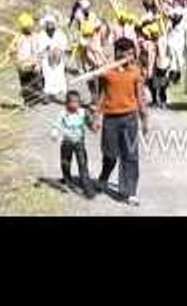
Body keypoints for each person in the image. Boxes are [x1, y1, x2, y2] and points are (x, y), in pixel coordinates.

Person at [96, 37, 148, 206]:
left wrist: (144, 118)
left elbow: (140, 98)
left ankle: (130, 192)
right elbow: (102, 95)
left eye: (133, 53)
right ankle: (103, 178)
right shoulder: (107, 72)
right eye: (127, 53)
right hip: (110, 119)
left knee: (130, 156)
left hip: (129, 119)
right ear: (118, 52)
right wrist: (97, 116)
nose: (130, 57)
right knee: (110, 154)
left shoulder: (135, 72)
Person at [51, 90, 97, 197]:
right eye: (72, 102)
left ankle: (86, 185)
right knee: (65, 162)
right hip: (67, 142)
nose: (75, 104)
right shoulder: (63, 114)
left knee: (82, 163)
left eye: (77, 102)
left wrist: (93, 117)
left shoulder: (82, 112)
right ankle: (67, 180)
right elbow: (57, 124)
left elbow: (90, 124)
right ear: (67, 103)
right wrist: (54, 133)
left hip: (79, 142)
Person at [36, 14, 70, 102]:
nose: (50, 27)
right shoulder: (41, 35)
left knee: (60, 76)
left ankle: (64, 94)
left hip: (58, 59)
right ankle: (48, 95)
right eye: (48, 25)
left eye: (52, 25)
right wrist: (48, 49)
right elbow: (40, 49)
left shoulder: (59, 33)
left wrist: (58, 50)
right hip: (47, 60)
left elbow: (64, 45)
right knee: (48, 77)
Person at [12, 12, 41, 106]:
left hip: (34, 62)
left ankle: (35, 97)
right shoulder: (18, 37)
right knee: (25, 82)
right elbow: (12, 48)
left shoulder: (35, 35)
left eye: (30, 26)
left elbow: (39, 47)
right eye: (28, 27)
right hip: (23, 64)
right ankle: (28, 100)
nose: (30, 28)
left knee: (35, 80)